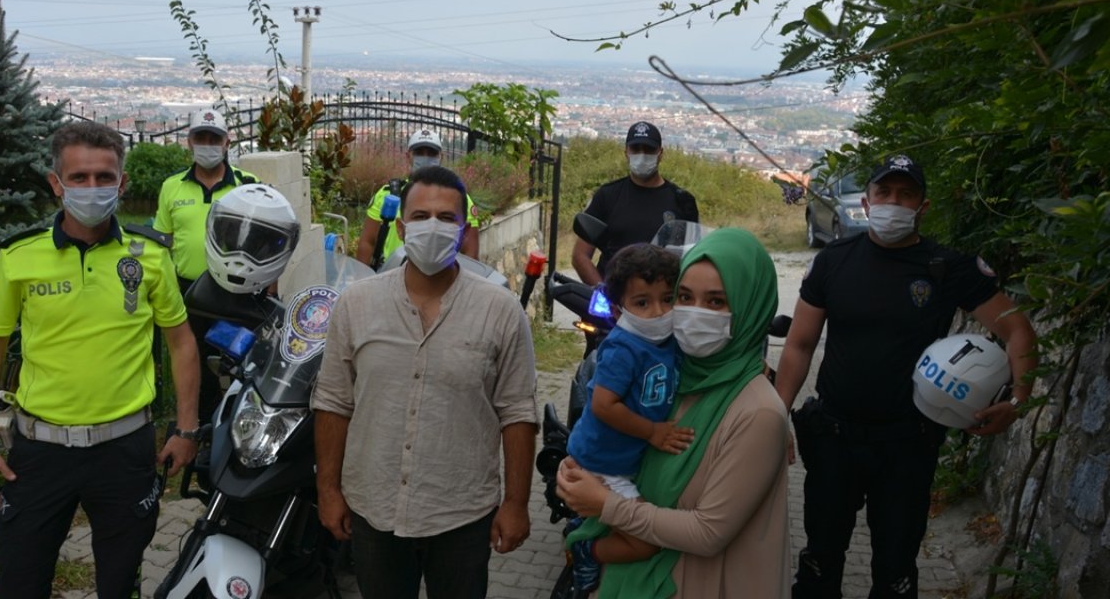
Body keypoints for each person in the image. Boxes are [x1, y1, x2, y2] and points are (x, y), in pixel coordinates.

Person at [775, 154, 1038, 598]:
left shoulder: (945, 267)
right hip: (833, 440)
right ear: (867, 200)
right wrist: (776, 415)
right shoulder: (833, 261)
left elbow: (1018, 330)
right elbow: (799, 345)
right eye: (885, 192)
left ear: (923, 206)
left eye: (906, 194)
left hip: (908, 446)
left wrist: (1017, 401)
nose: (893, 202)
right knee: (819, 563)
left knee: (896, 572)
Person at [0, 120, 200, 598]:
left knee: (120, 583)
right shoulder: (20, 257)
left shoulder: (150, 256)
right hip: (38, 453)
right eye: (79, 178)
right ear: (57, 184)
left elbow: (181, 342)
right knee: (20, 581)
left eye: (103, 177)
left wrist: (186, 427)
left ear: (122, 183)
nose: (92, 188)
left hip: (125, 451)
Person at [312, 165, 539, 599]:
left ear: (463, 228)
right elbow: (334, 403)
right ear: (400, 227)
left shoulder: (501, 310)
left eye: (446, 217)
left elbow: (518, 413)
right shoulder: (357, 305)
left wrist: (515, 504)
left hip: (462, 512)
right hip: (374, 506)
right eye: (420, 217)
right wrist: (328, 489)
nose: (432, 226)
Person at [559, 227, 792, 599]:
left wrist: (606, 505)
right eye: (685, 296)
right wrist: (574, 469)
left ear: (749, 309)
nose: (691, 314)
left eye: (716, 302)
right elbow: (611, 425)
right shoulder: (681, 372)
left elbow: (708, 532)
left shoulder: (758, 414)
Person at [563, 243, 695, 591]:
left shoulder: (669, 341)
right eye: (642, 303)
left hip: (626, 459)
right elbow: (604, 406)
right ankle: (587, 552)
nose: (658, 312)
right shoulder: (624, 348)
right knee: (645, 541)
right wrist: (652, 431)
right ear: (619, 311)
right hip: (603, 465)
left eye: (668, 299)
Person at [154, 109, 259, 422]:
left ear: (228, 142)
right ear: (189, 142)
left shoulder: (248, 185)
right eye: (201, 137)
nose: (208, 144)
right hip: (189, 294)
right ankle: (199, 426)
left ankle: (237, 423)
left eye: (215, 138)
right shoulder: (171, 187)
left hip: (235, 293)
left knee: (238, 361)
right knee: (193, 360)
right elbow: (163, 242)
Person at [572, 121, 700, 285]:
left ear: (660, 153)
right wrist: (603, 294)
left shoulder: (682, 201)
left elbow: (692, 259)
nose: (642, 155)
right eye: (636, 149)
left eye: (648, 149)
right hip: (615, 296)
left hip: (662, 301)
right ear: (626, 152)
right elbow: (580, 256)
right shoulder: (607, 195)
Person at [355, 128, 481, 267]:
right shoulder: (386, 195)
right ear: (408, 156)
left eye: (432, 153)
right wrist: (363, 280)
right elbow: (368, 242)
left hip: (442, 276)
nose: (425, 157)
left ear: (441, 156)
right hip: (391, 275)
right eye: (419, 153)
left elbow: (470, 253)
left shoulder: (459, 199)